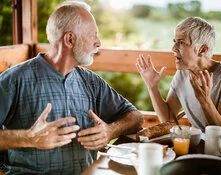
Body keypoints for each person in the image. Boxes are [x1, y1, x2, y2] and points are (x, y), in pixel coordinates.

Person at [0, 1, 143, 174]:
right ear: (69, 39)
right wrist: (29, 138)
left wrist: (110, 131)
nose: (98, 43)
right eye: (93, 35)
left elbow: (136, 117)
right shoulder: (14, 80)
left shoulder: (91, 81)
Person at [136, 17, 221, 132]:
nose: (173, 48)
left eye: (181, 42)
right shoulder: (181, 74)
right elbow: (168, 118)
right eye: (175, 41)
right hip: (201, 144)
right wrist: (152, 86)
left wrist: (205, 101)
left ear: (202, 50)